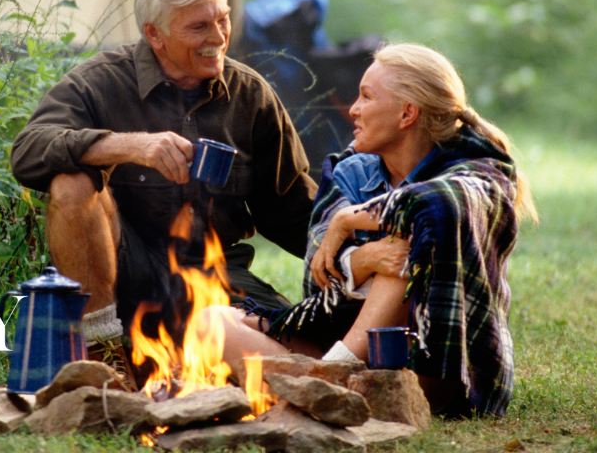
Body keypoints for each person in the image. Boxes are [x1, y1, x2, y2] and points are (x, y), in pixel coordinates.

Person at [9, 0, 318, 379]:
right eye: (199, 27)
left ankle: (182, 358)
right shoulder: (100, 82)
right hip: (124, 282)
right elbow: (28, 151)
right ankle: (103, 356)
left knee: (301, 354)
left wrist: (356, 252)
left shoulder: (250, 96)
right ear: (154, 34)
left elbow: (297, 212)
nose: (218, 38)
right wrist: (126, 146)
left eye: (223, 20)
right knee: (72, 182)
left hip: (217, 278)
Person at [212, 43, 537, 417]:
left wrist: (348, 221)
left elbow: (437, 206)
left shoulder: (481, 173)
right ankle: (324, 389)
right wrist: (363, 258)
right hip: (352, 348)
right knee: (213, 322)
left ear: (407, 113)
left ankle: (326, 381)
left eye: (366, 97)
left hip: (430, 367)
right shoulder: (351, 171)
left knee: (407, 245)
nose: (353, 109)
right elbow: (317, 276)